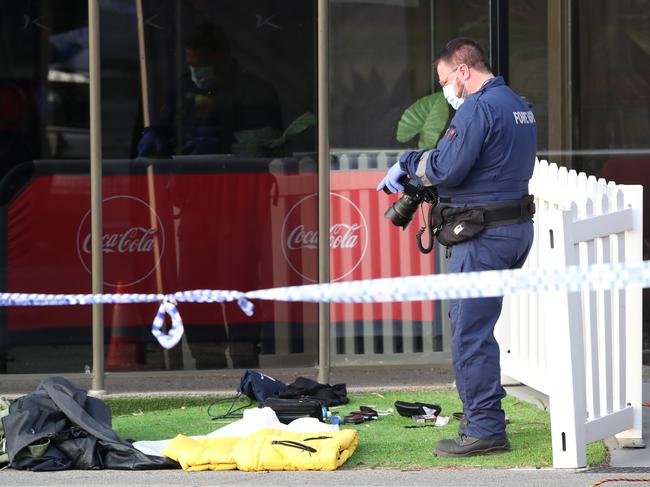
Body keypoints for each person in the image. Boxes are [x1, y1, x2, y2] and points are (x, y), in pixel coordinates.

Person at [377, 38, 537, 457]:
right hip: (514, 229)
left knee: (470, 333)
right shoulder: (516, 104)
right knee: (479, 329)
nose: (446, 89)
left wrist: (407, 164)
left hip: (483, 236)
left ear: (464, 71)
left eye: (446, 79)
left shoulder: (478, 107)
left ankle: (484, 429)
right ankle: (483, 419)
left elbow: (446, 168)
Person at [138, 23, 282, 157]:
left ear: (224, 57)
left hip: (241, 178)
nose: (196, 72)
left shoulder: (256, 91)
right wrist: (156, 133)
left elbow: (270, 142)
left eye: (204, 64)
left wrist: (223, 144)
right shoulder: (184, 87)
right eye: (192, 65)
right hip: (188, 177)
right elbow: (167, 124)